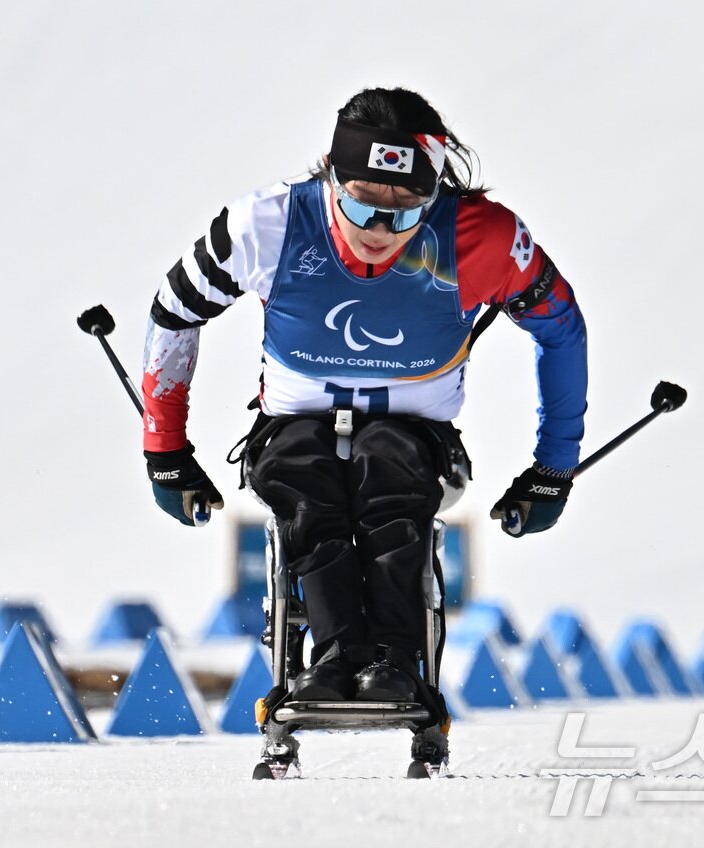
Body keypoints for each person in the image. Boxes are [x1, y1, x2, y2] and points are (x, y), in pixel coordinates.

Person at [141, 88, 588, 710]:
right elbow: (175, 311)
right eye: (362, 205)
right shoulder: (266, 224)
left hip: (415, 435)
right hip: (293, 426)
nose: (381, 229)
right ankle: (336, 656)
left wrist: (553, 468)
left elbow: (561, 328)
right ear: (331, 178)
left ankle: (392, 659)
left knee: (388, 469)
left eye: (406, 212)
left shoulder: (480, 238)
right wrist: (165, 450)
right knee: (303, 474)